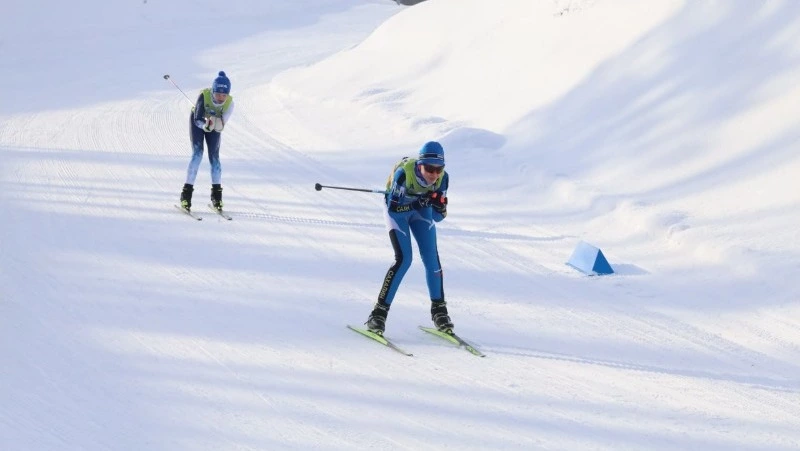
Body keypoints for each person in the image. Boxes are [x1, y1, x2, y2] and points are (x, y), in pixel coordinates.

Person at [366, 141, 452, 335]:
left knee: (432, 260)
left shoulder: (443, 179)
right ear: (420, 165)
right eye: (430, 168)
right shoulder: (404, 174)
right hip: (399, 213)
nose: (434, 175)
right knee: (404, 260)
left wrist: (438, 205)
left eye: (439, 169)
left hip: (421, 212)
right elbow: (394, 209)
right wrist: (420, 201)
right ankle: (378, 314)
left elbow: (439, 217)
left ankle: (439, 311)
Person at [179, 71, 235, 212]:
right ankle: (186, 195)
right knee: (198, 154)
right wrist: (204, 124)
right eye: (218, 94)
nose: (221, 98)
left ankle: (217, 197)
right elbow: (197, 118)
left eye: (224, 95)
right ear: (213, 91)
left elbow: (222, 124)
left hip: (214, 124)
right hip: (199, 123)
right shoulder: (204, 96)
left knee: (214, 158)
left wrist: (215, 123)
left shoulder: (230, 103)